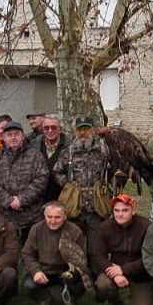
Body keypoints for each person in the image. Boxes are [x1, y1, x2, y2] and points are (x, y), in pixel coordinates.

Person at [53, 115, 110, 273]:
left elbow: (112, 171)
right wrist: (68, 186)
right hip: (74, 207)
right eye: (80, 129)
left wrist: (105, 186)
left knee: (96, 247)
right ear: (75, 131)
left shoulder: (103, 150)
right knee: (74, 247)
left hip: (96, 207)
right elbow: (57, 171)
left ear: (93, 130)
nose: (83, 132)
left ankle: (97, 278)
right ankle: (77, 279)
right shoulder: (68, 152)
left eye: (86, 129)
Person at [92, 193, 153, 305]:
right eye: (116, 210)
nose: (120, 214)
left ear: (134, 210)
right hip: (115, 272)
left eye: (125, 210)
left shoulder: (146, 227)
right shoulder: (105, 227)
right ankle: (117, 303)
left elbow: (149, 258)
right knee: (103, 283)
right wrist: (114, 274)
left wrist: (123, 270)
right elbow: (99, 254)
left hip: (141, 275)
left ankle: (136, 300)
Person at [0, 121, 49, 238]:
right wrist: (9, 200)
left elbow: (42, 179)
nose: (13, 138)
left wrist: (21, 199)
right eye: (9, 135)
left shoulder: (35, 155)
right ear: (3, 137)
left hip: (32, 216)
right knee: (9, 252)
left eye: (16, 134)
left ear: (23, 136)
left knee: (30, 253)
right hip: (5, 216)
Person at [22, 201, 88, 305]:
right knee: (28, 284)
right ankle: (45, 300)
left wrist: (73, 272)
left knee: (79, 285)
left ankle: (69, 301)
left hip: (66, 270)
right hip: (44, 270)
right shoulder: (36, 229)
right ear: (45, 216)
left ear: (65, 216)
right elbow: (27, 254)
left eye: (57, 217)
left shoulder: (75, 231)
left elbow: (81, 258)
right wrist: (36, 271)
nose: (53, 221)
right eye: (49, 217)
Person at [37, 114, 69, 204]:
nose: (50, 131)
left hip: (62, 198)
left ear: (60, 129)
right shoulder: (35, 145)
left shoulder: (70, 146)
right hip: (39, 199)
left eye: (53, 127)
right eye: (46, 128)